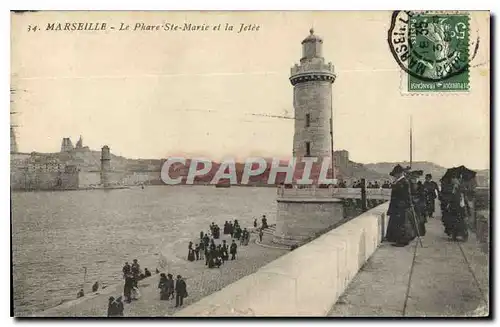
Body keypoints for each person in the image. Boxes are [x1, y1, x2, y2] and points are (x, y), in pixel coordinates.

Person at [385, 164, 416, 247]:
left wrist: (402, 205)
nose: (394, 176)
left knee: (402, 224)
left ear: (399, 173)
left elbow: (405, 195)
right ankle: (397, 238)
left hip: (401, 206)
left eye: (395, 174)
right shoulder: (400, 181)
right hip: (399, 205)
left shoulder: (403, 182)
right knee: (398, 223)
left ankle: (403, 241)